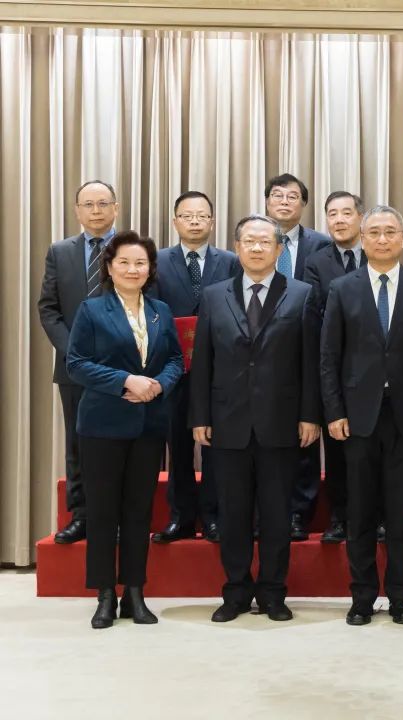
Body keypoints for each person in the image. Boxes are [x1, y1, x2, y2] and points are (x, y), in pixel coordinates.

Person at [189, 214, 321, 623]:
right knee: (232, 514)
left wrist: (310, 416)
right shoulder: (214, 295)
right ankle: (235, 591)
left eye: (266, 241)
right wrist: (200, 416)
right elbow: (203, 360)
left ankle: (273, 593)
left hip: (281, 423)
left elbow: (311, 362)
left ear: (279, 249)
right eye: (250, 241)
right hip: (227, 422)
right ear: (237, 247)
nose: (258, 248)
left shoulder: (302, 294)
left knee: (277, 514)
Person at [321, 205, 403, 627]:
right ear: (362, 238)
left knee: (401, 512)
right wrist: (334, 410)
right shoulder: (342, 288)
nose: (383, 239)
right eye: (374, 232)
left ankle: (401, 596)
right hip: (357, 417)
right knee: (360, 512)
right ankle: (362, 596)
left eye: (391, 232)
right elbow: (329, 355)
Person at [66, 230, 184, 628]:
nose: (133, 269)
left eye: (140, 263)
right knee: (102, 512)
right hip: (102, 425)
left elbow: (175, 360)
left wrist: (158, 385)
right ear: (110, 267)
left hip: (148, 425)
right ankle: (104, 594)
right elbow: (76, 363)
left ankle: (135, 592)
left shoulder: (160, 310)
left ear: (150, 269)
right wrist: (125, 381)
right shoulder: (91, 310)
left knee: (138, 511)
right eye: (125, 262)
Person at [148, 190, 240, 545]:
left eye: (202, 216)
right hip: (173, 369)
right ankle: (182, 518)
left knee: (216, 446)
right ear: (175, 222)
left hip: (219, 370)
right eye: (187, 216)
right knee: (179, 446)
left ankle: (214, 517)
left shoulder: (230, 261)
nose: (195, 222)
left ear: (212, 222)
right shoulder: (157, 261)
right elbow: (151, 311)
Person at [38, 180, 120, 544]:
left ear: (116, 208)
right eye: (88, 204)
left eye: (103, 203)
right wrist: (75, 352)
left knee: (119, 445)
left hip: (122, 368)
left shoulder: (131, 248)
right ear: (77, 210)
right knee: (77, 443)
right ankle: (82, 516)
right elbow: (48, 308)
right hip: (74, 369)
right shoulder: (60, 252)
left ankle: (118, 518)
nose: (96, 211)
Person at [263, 172, 332, 541]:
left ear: (304, 204)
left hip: (308, 346)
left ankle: (299, 514)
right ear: (267, 202)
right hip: (260, 352)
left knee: (305, 436)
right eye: (277, 195)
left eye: (292, 196)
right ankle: (266, 511)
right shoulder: (255, 238)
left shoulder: (322, 245)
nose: (284, 201)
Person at [300, 190, 366, 543]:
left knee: (371, 450)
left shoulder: (377, 252)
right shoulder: (317, 262)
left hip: (374, 369)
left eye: (346, 212)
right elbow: (314, 315)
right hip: (334, 370)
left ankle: (374, 517)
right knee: (338, 450)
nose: (339, 220)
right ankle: (339, 518)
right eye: (332, 214)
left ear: (360, 217)